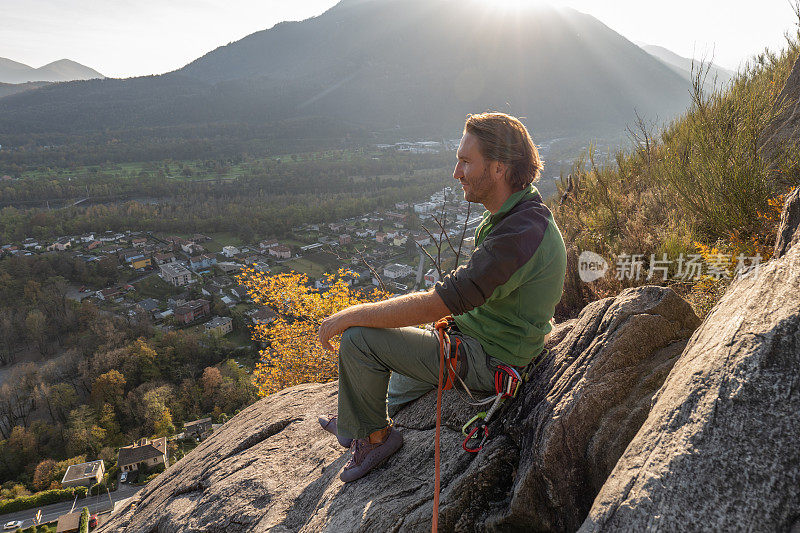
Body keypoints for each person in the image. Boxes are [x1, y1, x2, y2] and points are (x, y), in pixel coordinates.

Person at [317, 112, 567, 482]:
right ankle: (359, 422)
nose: (456, 172)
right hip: (473, 337)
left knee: (359, 341)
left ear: (498, 168)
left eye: (466, 162)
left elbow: (442, 300)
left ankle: (375, 439)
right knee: (396, 389)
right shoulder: (514, 216)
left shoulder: (518, 237)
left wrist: (353, 314)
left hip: (490, 357)